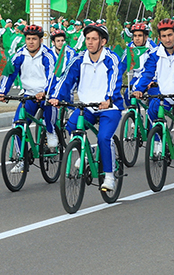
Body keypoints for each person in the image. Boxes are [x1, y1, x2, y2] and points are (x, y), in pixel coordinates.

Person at [49, 24, 123, 194]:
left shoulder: (111, 58)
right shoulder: (79, 59)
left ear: (103, 41)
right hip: (87, 106)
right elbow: (66, 79)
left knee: (104, 138)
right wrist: (56, 97)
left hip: (109, 107)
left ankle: (110, 176)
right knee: (72, 126)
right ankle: (87, 150)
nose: (90, 42)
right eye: (88, 39)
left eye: (94, 39)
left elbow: (114, 80)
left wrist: (108, 98)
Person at [133, 19, 174, 168]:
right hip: (165, 94)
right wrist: (138, 89)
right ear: (159, 37)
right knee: (152, 111)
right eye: (163, 36)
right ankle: (160, 141)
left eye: (170, 35)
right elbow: (147, 73)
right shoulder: (155, 53)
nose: (167, 39)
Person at [0, 24, 60, 170]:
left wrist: (45, 92)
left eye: (34, 39)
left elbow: (53, 77)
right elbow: (9, 74)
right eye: (28, 38)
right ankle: (22, 158)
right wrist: (2, 92)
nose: (31, 42)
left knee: (50, 110)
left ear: (40, 40)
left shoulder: (48, 55)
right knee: (17, 123)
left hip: (46, 94)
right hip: (29, 96)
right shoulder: (19, 55)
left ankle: (50, 133)